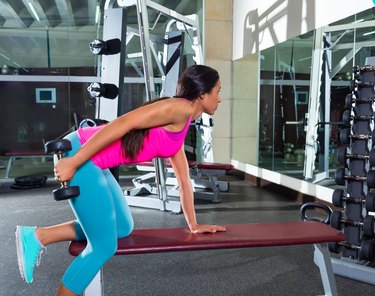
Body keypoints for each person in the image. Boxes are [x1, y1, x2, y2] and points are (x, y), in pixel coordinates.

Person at [15, 64, 226, 296]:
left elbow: (184, 179)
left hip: (95, 162)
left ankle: (38, 236)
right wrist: (73, 162)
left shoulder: (183, 122)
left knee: (122, 227)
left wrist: (193, 225)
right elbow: (123, 122)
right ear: (203, 93)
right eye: (218, 91)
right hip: (82, 153)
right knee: (104, 246)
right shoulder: (179, 108)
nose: (220, 99)